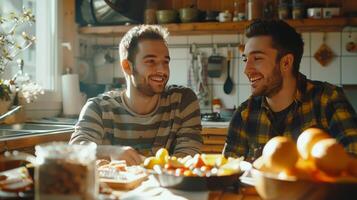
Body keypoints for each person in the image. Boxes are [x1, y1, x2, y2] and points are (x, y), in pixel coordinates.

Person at [223, 19, 357, 160]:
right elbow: (228, 170)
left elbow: (354, 160)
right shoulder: (245, 114)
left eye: (257, 58)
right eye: (245, 60)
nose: (246, 70)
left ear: (286, 62)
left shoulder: (328, 99)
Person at [70, 25, 202, 165]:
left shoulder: (183, 101)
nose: (162, 70)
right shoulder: (98, 108)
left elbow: (189, 157)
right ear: (127, 66)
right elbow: (75, 150)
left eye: (165, 62)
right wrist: (111, 152)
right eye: (151, 61)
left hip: (164, 186)